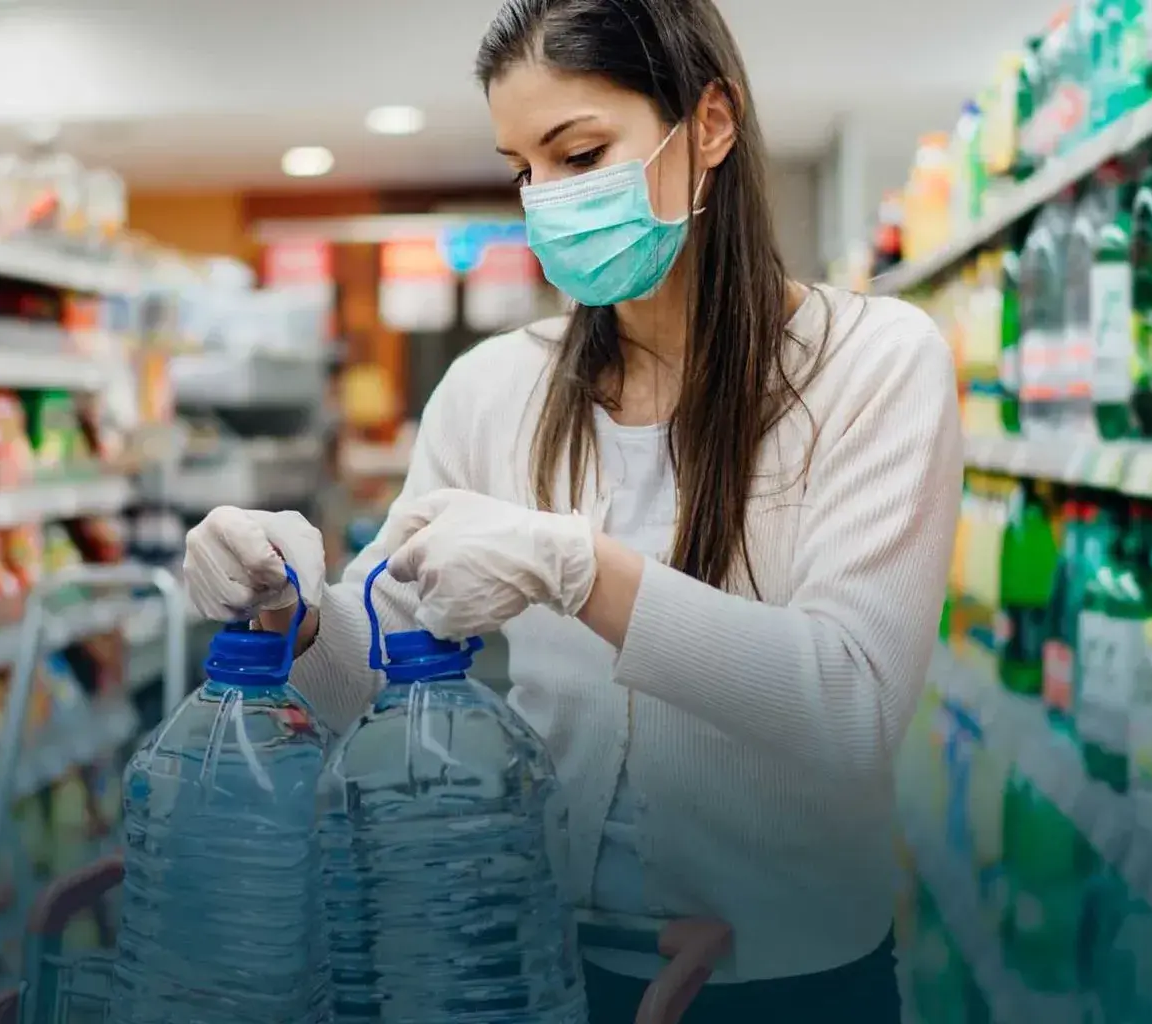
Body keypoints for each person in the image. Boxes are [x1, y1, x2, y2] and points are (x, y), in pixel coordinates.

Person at [181, 0, 962, 1019]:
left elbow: (849, 707)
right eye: (523, 168)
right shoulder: (493, 388)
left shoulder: (875, 365)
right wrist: (294, 610)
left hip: (790, 976)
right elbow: (369, 683)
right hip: (535, 961)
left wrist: (583, 570)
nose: (546, 200)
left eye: (580, 152)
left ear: (710, 126)